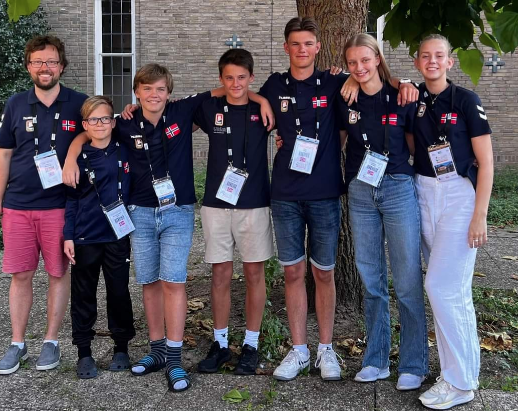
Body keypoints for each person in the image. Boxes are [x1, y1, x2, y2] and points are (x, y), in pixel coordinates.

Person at [63, 63, 273, 392]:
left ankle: (174, 357)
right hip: (141, 213)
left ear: (169, 92)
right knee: (149, 282)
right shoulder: (125, 122)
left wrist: (262, 100)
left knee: (173, 282)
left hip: (177, 211)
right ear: (136, 92)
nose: (154, 94)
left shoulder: (182, 110)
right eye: (147, 89)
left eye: (160, 89)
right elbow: (92, 130)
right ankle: (157, 350)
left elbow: (228, 89)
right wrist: (71, 155)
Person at [260, 17, 418, 382]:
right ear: (286, 47)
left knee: (324, 272)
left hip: (326, 193)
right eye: (295, 44)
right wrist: (257, 101)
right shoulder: (273, 85)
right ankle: (299, 350)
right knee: (293, 272)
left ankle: (326, 349)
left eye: (308, 43)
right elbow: (239, 97)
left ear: (318, 48)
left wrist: (405, 82)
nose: (302, 49)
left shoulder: (336, 82)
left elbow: (373, 79)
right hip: (284, 194)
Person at [337, 33, 428, 391]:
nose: (359, 67)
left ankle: (413, 363)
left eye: (365, 60)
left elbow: (414, 145)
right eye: (352, 62)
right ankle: (376, 359)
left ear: (377, 58)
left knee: (407, 280)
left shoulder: (402, 95)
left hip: (397, 188)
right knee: (371, 279)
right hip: (361, 191)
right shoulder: (346, 97)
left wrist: (405, 82)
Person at [413, 34, 493, 410]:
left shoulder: (466, 100)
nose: (432, 61)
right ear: (417, 61)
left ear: (449, 62)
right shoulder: (413, 98)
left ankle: (460, 384)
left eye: (439, 55)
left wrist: (480, 215)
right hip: (423, 192)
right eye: (425, 55)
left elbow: (487, 162)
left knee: (441, 287)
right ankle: (457, 375)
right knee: (451, 293)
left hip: (459, 196)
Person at [0, 35, 87, 375]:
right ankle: (17, 343)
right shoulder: (15, 104)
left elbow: (96, 131)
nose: (44, 68)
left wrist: (73, 153)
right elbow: (4, 155)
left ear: (61, 66)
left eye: (51, 61)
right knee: (20, 274)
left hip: (59, 206)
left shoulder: (78, 103)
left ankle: (51, 341)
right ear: (28, 67)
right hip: (18, 205)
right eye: (38, 62)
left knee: (57, 272)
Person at [194, 49, 274, 376]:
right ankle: (221, 343)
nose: (236, 83)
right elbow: (178, 108)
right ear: (220, 79)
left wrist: (261, 99)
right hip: (216, 204)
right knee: (220, 274)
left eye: (242, 77)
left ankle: (251, 345)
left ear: (251, 77)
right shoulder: (210, 106)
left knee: (254, 274)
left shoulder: (263, 109)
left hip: (254, 203)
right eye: (229, 78)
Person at [63, 96, 135, 379]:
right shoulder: (77, 159)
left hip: (117, 234)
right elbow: (71, 200)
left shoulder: (126, 150)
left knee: (119, 291)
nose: (100, 124)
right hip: (85, 235)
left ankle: (121, 347)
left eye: (105, 118)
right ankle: (84, 352)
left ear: (113, 122)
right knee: (83, 295)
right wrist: (68, 236)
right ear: (85, 125)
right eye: (93, 119)